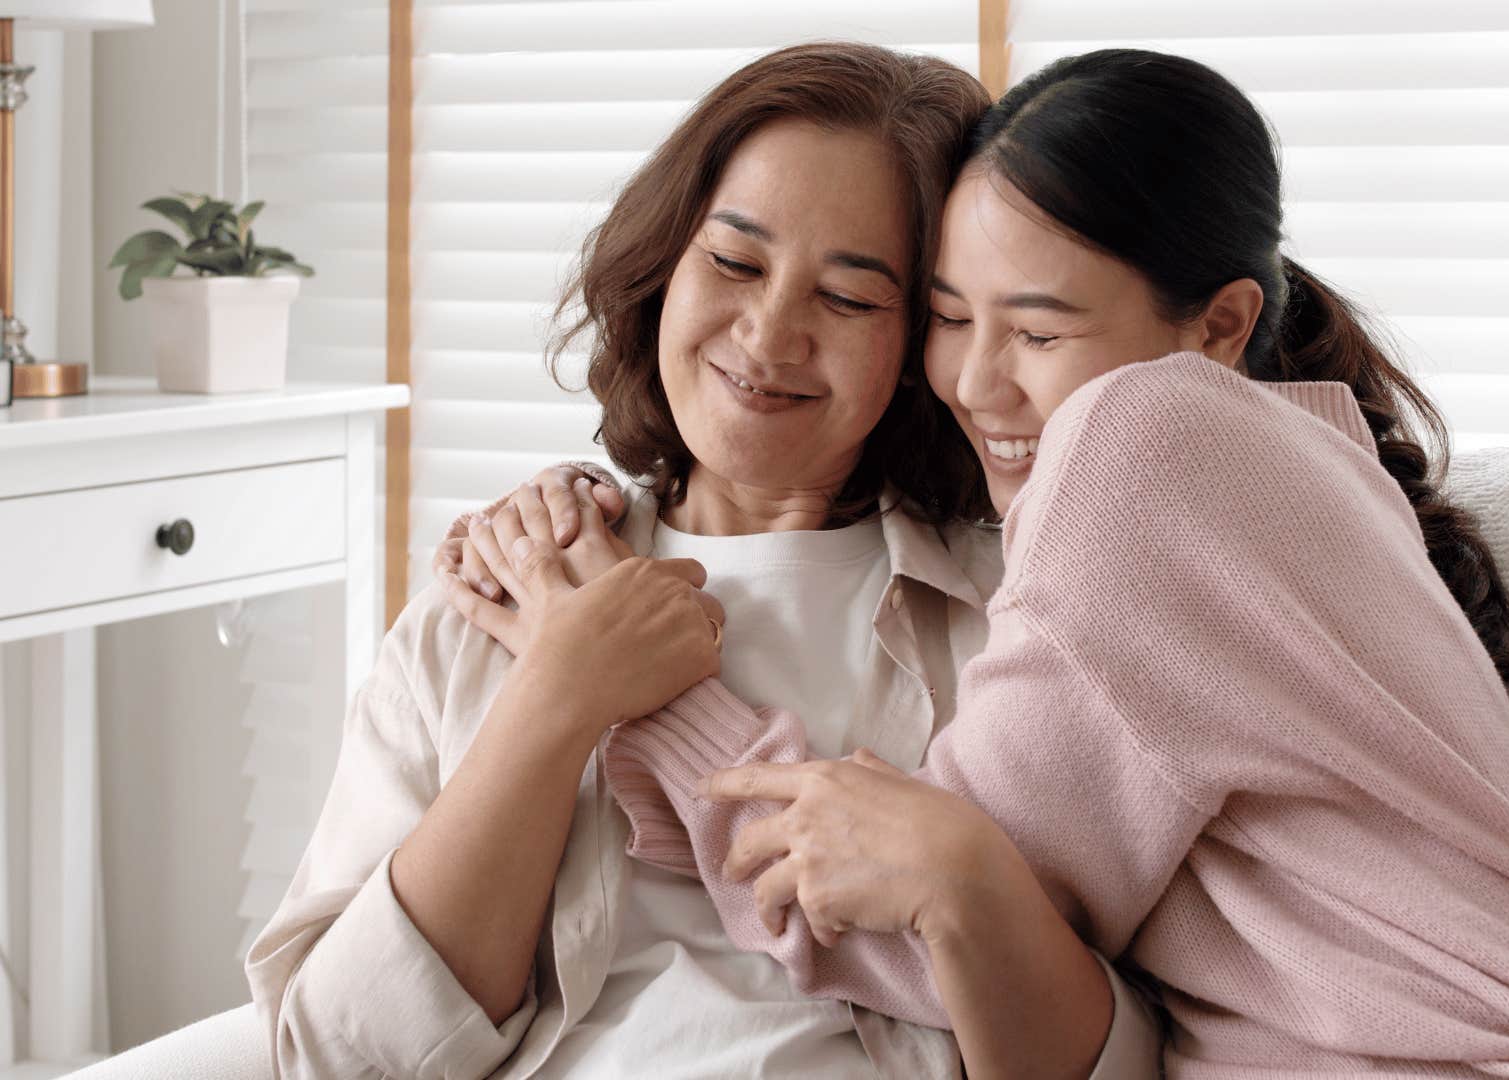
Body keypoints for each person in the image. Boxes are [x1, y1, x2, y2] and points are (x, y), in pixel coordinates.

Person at [449, 50, 1509, 1077]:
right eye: (948, 317)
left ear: (1218, 326)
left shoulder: (1140, 445)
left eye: (1038, 330)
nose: (976, 384)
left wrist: (618, 672)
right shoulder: (1298, 461)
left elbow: (916, 920)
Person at [245, 42, 1161, 1080]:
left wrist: (963, 883)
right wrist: (557, 695)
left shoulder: (1023, 622)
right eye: (733, 263)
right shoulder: (502, 587)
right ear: (664, 263)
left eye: (851, 299)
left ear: (922, 346)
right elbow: (334, 1059)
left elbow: (1128, 1055)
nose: (768, 336)